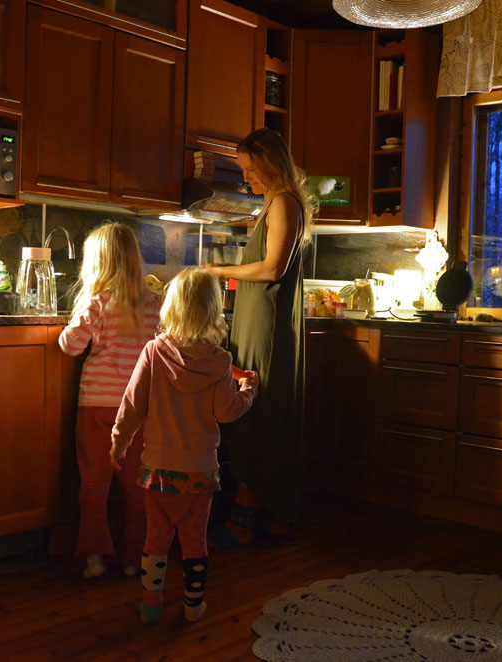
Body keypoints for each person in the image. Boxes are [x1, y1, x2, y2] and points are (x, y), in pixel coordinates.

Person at [110, 267, 258, 624]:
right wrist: (249, 389)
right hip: (199, 472)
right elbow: (227, 412)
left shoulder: (154, 352)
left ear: (170, 308)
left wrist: (119, 442)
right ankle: (193, 606)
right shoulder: (220, 361)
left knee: (156, 539)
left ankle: (151, 603)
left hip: (158, 469)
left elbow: (132, 404)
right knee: (195, 541)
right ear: (214, 311)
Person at [202, 128, 316, 547]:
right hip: (256, 318)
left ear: (270, 163)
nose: (246, 177)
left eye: (250, 169)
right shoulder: (270, 205)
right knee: (255, 407)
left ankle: (242, 521)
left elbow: (272, 269)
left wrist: (217, 272)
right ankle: (272, 514)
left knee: (262, 412)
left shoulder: (284, 202)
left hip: (267, 324)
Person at [59, 223, 161, 579]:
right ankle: (135, 558)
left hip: (98, 406)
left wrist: (77, 320)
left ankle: (95, 557)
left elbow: (70, 346)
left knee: (94, 484)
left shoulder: (97, 303)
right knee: (137, 487)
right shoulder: (154, 304)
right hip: (139, 409)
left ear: (96, 263)